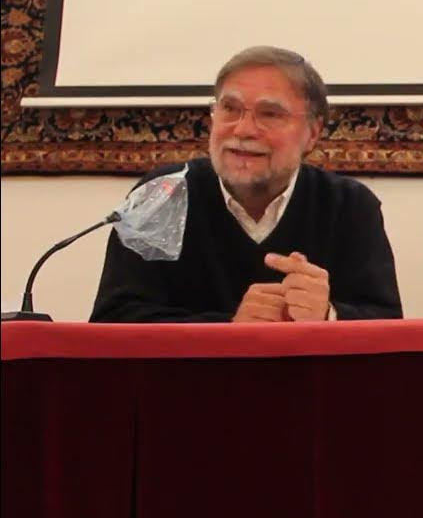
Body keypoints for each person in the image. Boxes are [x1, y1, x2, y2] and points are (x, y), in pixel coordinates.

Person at [91, 46, 403, 322]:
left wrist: (327, 315)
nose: (243, 130)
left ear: (312, 133)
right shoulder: (163, 196)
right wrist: (230, 330)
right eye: (230, 108)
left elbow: (387, 327)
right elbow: (114, 321)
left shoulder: (349, 205)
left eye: (270, 114)